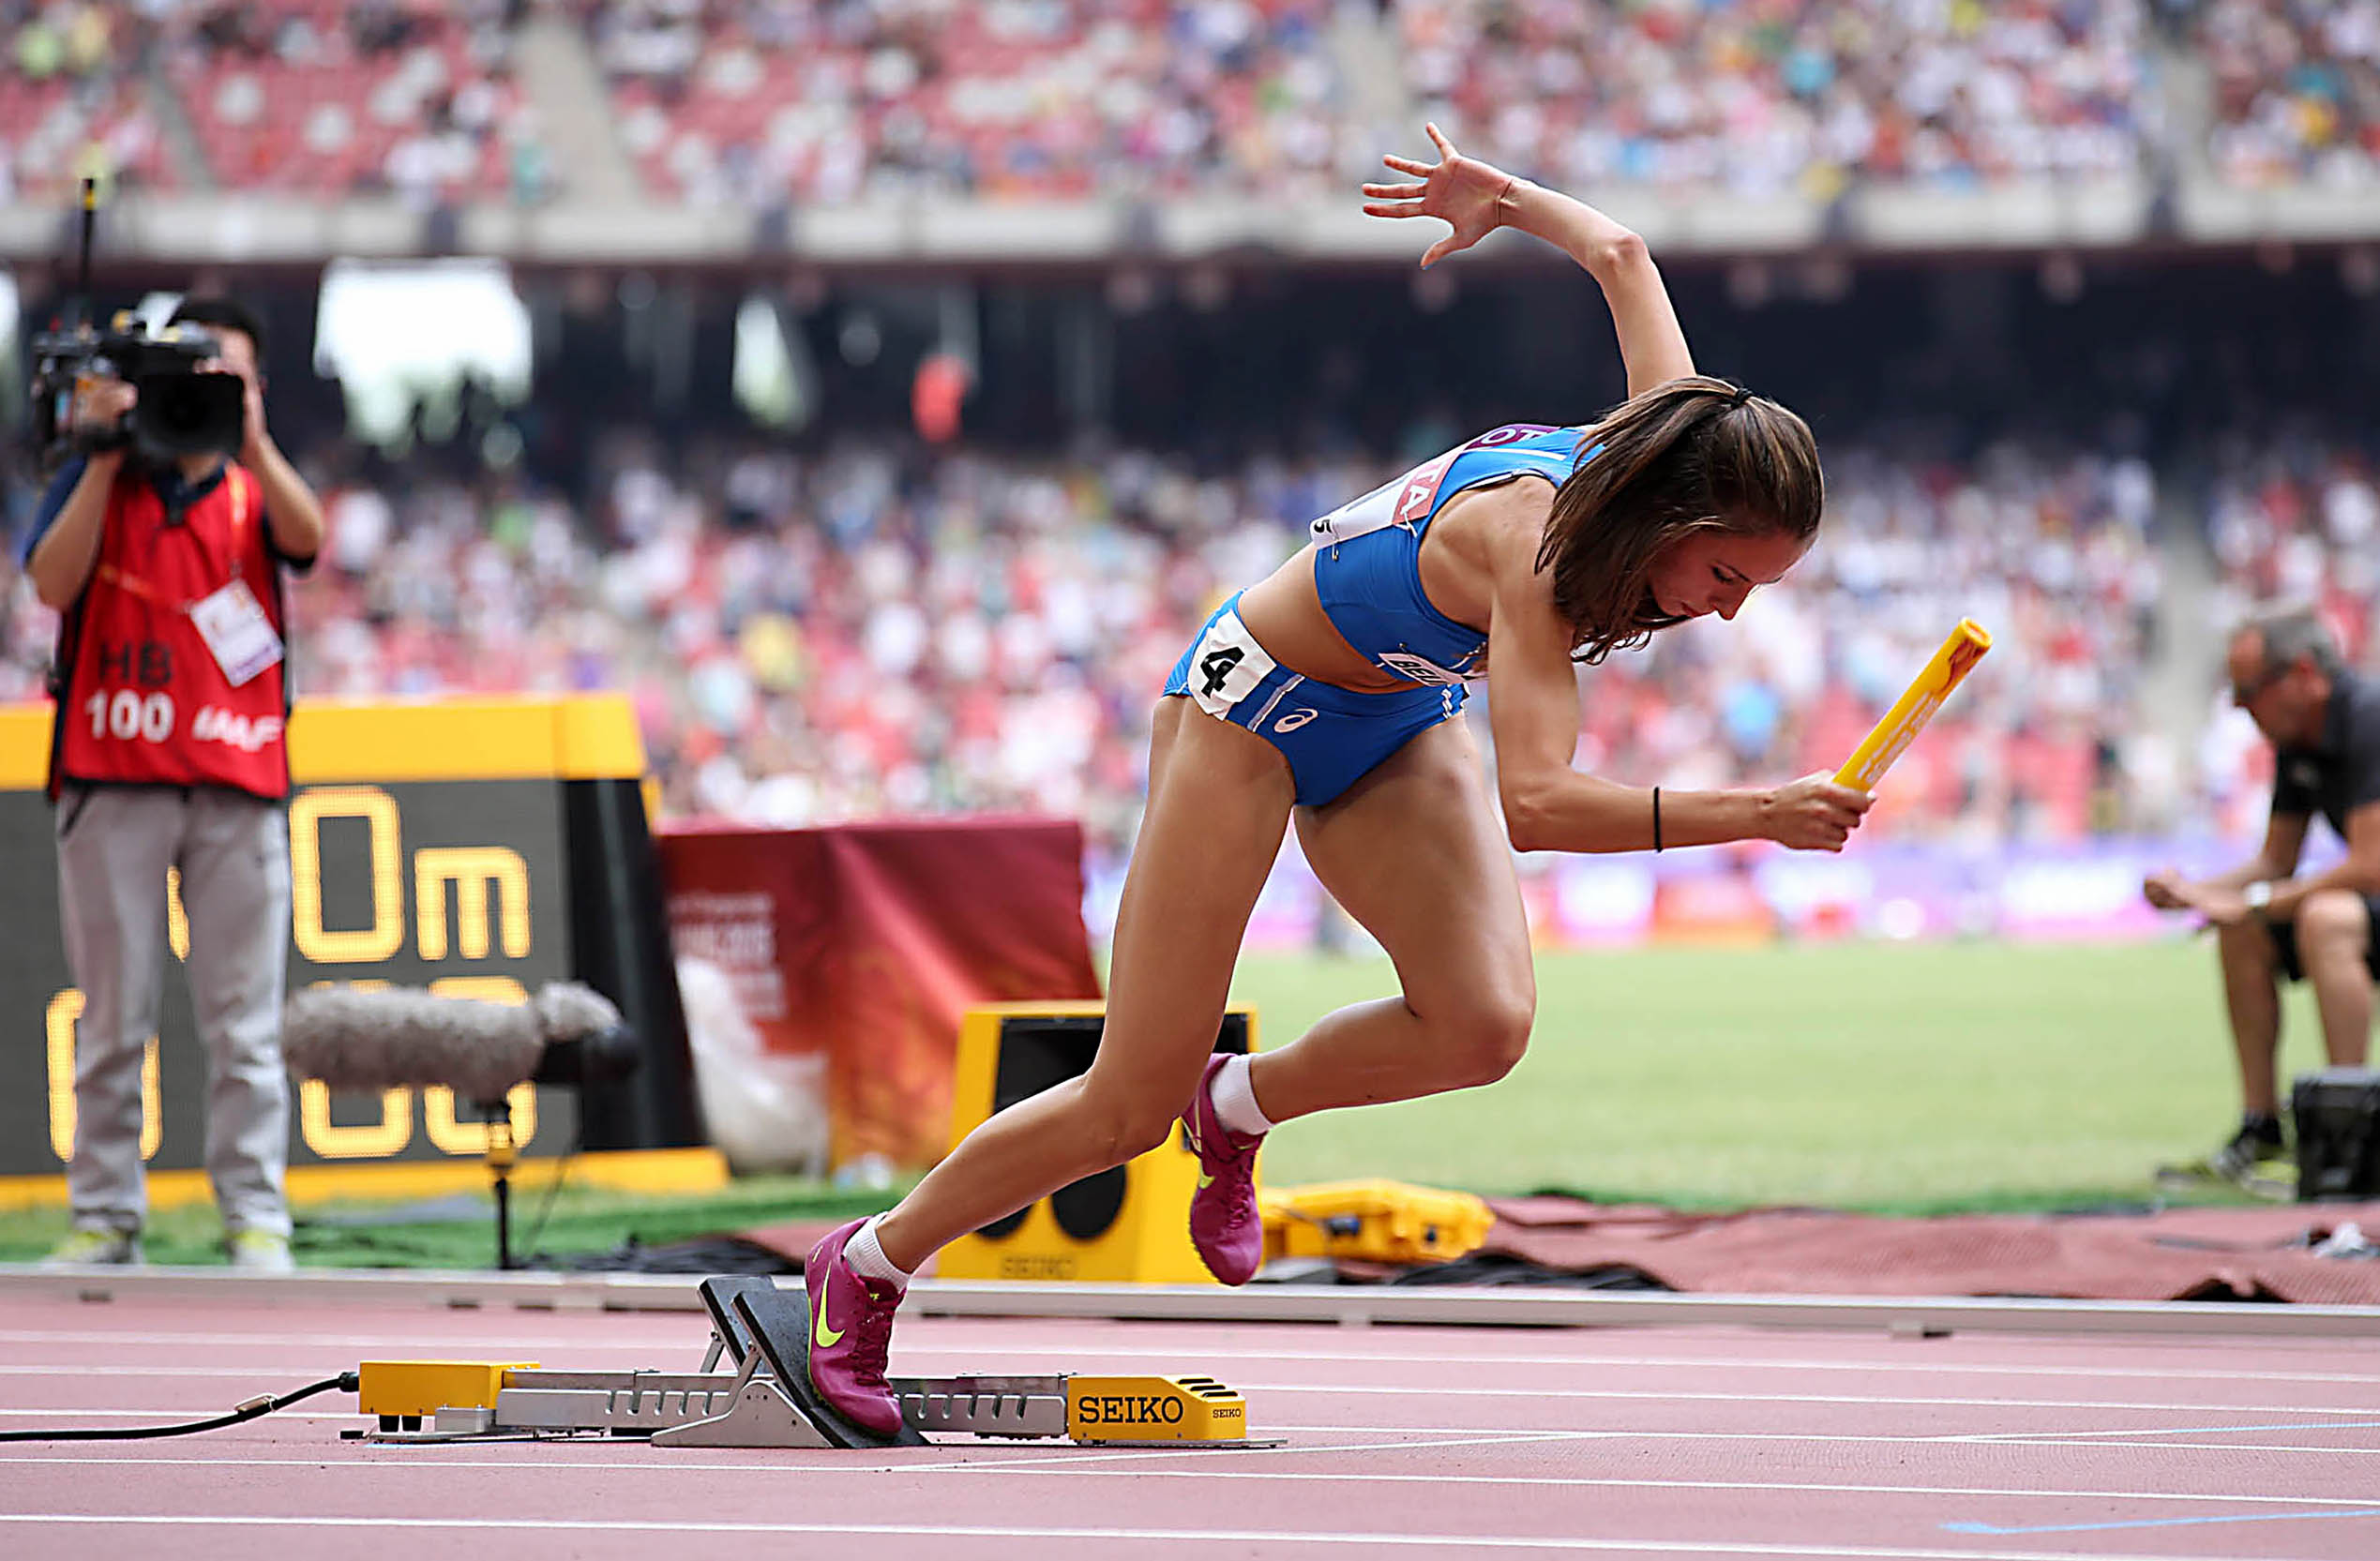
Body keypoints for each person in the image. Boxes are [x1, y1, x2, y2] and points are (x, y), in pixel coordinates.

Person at [791, 125, 1873, 1444]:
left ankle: (1236, 1104)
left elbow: (1621, 251)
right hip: (1248, 713)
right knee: (1124, 1104)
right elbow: (1536, 804)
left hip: (1394, 709)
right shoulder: (1533, 549)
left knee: (1481, 1024)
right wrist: (1761, 814)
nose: (1727, 610)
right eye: (1726, 577)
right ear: (1671, 520)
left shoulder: (1670, 429)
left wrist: (1501, 196)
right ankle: (868, 1262)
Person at [24, 295, 326, 1271]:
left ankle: (256, 1216)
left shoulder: (252, 489)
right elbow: (51, 584)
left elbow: (309, 538)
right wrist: (101, 452)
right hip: (113, 773)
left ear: (253, 387)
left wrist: (255, 443)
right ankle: (106, 1215)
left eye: (221, 375)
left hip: (238, 777)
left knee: (245, 1025)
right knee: (113, 1019)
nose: (199, 391)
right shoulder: (102, 476)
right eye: (185, 374)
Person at [2144, 604, 2380, 1195]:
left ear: (2303, 674)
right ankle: (2261, 1130)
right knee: (2241, 931)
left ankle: (2346, 1130)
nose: (2238, 707)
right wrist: (2197, 894)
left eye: (2248, 691)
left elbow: (2371, 867)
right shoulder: (2298, 737)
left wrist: (2249, 901)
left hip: (2368, 890)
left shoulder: (2369, 719)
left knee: (2326, 919)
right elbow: (2276, 861)